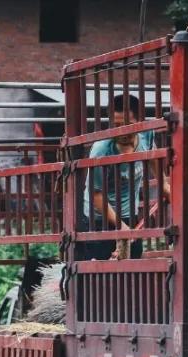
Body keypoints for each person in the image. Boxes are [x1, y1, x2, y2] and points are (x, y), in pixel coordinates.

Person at [78, 93, 170, 261]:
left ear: (139, 122)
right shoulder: (102, 149)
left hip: (129, 215)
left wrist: (167, 189)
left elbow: (156, 165)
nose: (122, 132)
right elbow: (96, 195)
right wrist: (121, 227)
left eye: (129, 125)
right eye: (117, 125)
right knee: (103, 272)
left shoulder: (146, 136)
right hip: (100, 219)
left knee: (132, 264)